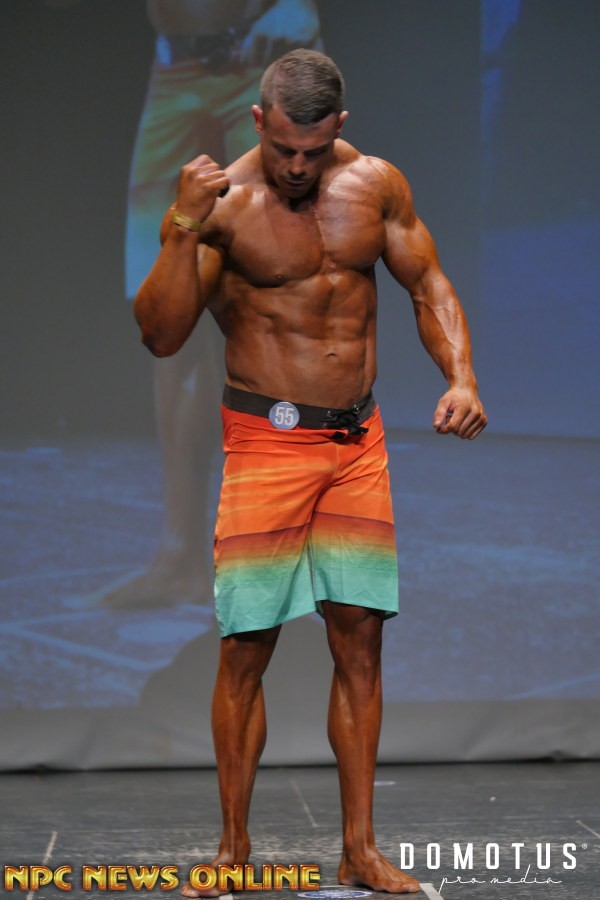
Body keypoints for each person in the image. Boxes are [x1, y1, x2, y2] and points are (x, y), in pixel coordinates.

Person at [134, 50, 487, 896]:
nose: (298, 167)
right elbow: (161, 335)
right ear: (259, 121)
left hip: (356, 444)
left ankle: (360, 849)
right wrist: (181, 225)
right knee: (245, 649)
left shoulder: (375, 185)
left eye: (314, 150)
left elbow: (427, 282)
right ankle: (232, 852)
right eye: (285, 148)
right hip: (267, 443)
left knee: (360, 646)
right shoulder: (223, 206)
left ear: (340, 127)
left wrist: (462, 376)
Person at [101, 0, 323, 609]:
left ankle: (282, 556)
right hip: (175, 71)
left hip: (266, 66)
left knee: (274, 306)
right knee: (166, 315)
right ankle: (180, 558)